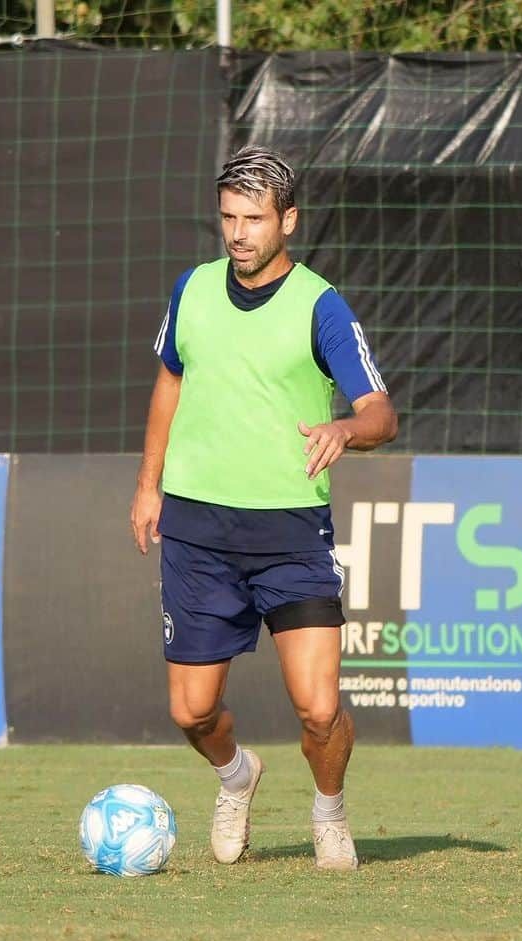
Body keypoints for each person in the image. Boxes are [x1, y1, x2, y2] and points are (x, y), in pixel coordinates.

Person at [130, 145, 397, 871]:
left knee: (317, 709)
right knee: (190, 712)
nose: (239, 232)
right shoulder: (192, 289)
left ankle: (330, 810)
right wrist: (149, 484)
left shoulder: (322, 305)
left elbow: (380, 412)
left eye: (254, 218)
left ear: (288, 220)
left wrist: (346, 427)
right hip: (196, 529)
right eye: (228, 217)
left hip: (287, 533)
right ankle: (236, 776)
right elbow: (168, 387)